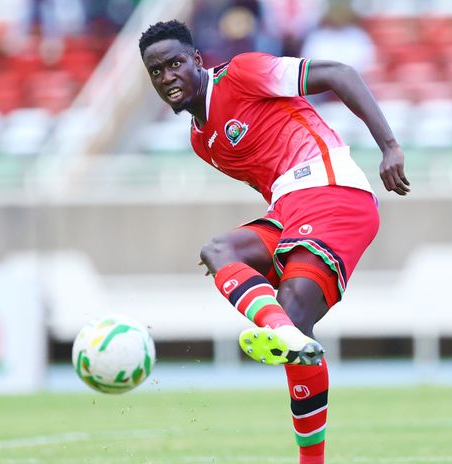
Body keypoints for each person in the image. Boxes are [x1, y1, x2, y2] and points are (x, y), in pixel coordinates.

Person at [139, 20, 407, 464]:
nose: (167, 77)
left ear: (197, 61)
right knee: (220, 254)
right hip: (288, 209)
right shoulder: (201, 140)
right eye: (156, 71)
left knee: (293, 315)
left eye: (174, 64)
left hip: (333, 191)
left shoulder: (244, 73)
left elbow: (341, 73)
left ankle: (280, 328)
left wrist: (390, 147)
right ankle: (287, 353)